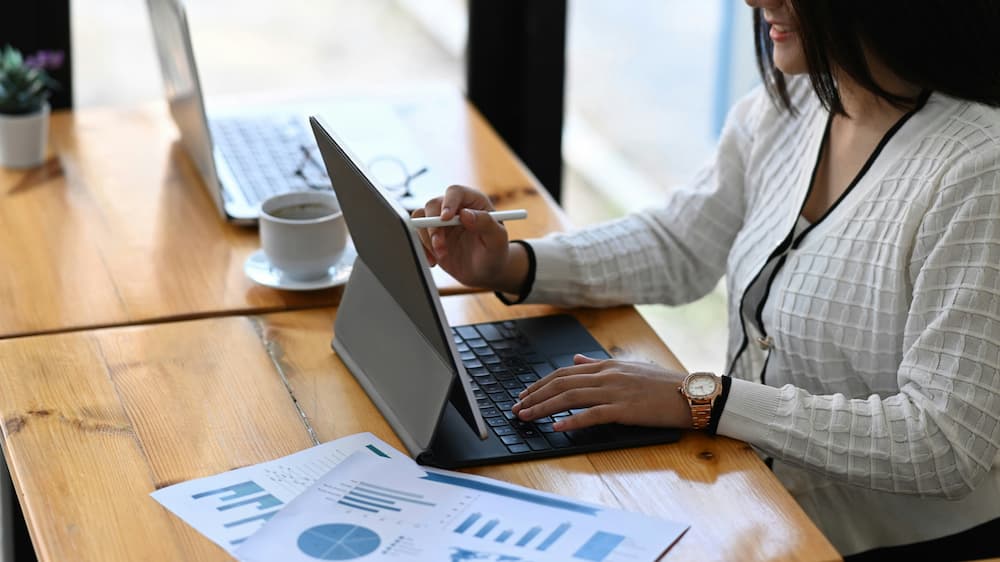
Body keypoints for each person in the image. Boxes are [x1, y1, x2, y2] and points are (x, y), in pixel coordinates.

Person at [414, 0, 1000, 558]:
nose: (755, 2)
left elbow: (944, 443)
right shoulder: (795, 100)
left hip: (885, 544)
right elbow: (679, 243)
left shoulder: (978, 169)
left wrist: (703, 398)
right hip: (752, 496)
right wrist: (507, 264)